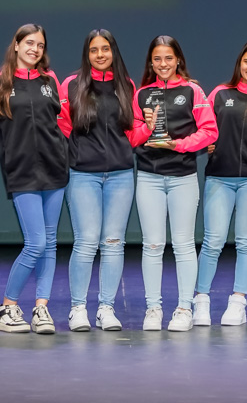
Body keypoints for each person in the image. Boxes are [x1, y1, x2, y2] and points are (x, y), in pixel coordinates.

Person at [0, 25, 70, 334]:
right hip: (22, 171)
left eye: (40, 45)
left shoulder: (49, 80)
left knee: (50, 243)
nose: (35, 49)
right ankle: (7, 307)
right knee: (36, 243)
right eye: (29, 43)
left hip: (55, 169)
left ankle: (41, 308)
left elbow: (59, 121)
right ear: (16, 45)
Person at [129, 35, 218, 332]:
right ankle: (153, 308)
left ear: (178, 59)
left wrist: (178, 145)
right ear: (150, 62)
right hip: (149, 177)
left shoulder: (192, 91)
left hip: (182, 177)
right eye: (157, 59)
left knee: (182, 244)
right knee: (152, 245)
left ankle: (183, 308)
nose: (163, 64)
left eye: (168, 58)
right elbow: (131, 136)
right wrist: (148, 128)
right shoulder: (141, 94)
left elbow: (209, 132)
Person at [59, 29, 138, 332]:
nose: (100, 54)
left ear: (113, 52)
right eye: (94, 50)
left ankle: (106, 307)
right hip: (83, 176)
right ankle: (78, 308)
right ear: (87, 54)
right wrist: (80, 153)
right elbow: (63, 125)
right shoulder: (72, 84)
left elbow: (132, 129)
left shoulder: (126, 86)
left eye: (105, 49)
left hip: (120, 175)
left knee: (114, 243)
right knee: (87, 241)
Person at [193, 42, 247, 326]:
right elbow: (203, 129)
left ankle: (238, 303)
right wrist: (209, 146)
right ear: (239, 63)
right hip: (220, 178)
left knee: (245, 242)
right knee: (213, 241)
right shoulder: (220, 93)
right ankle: (200, 300)